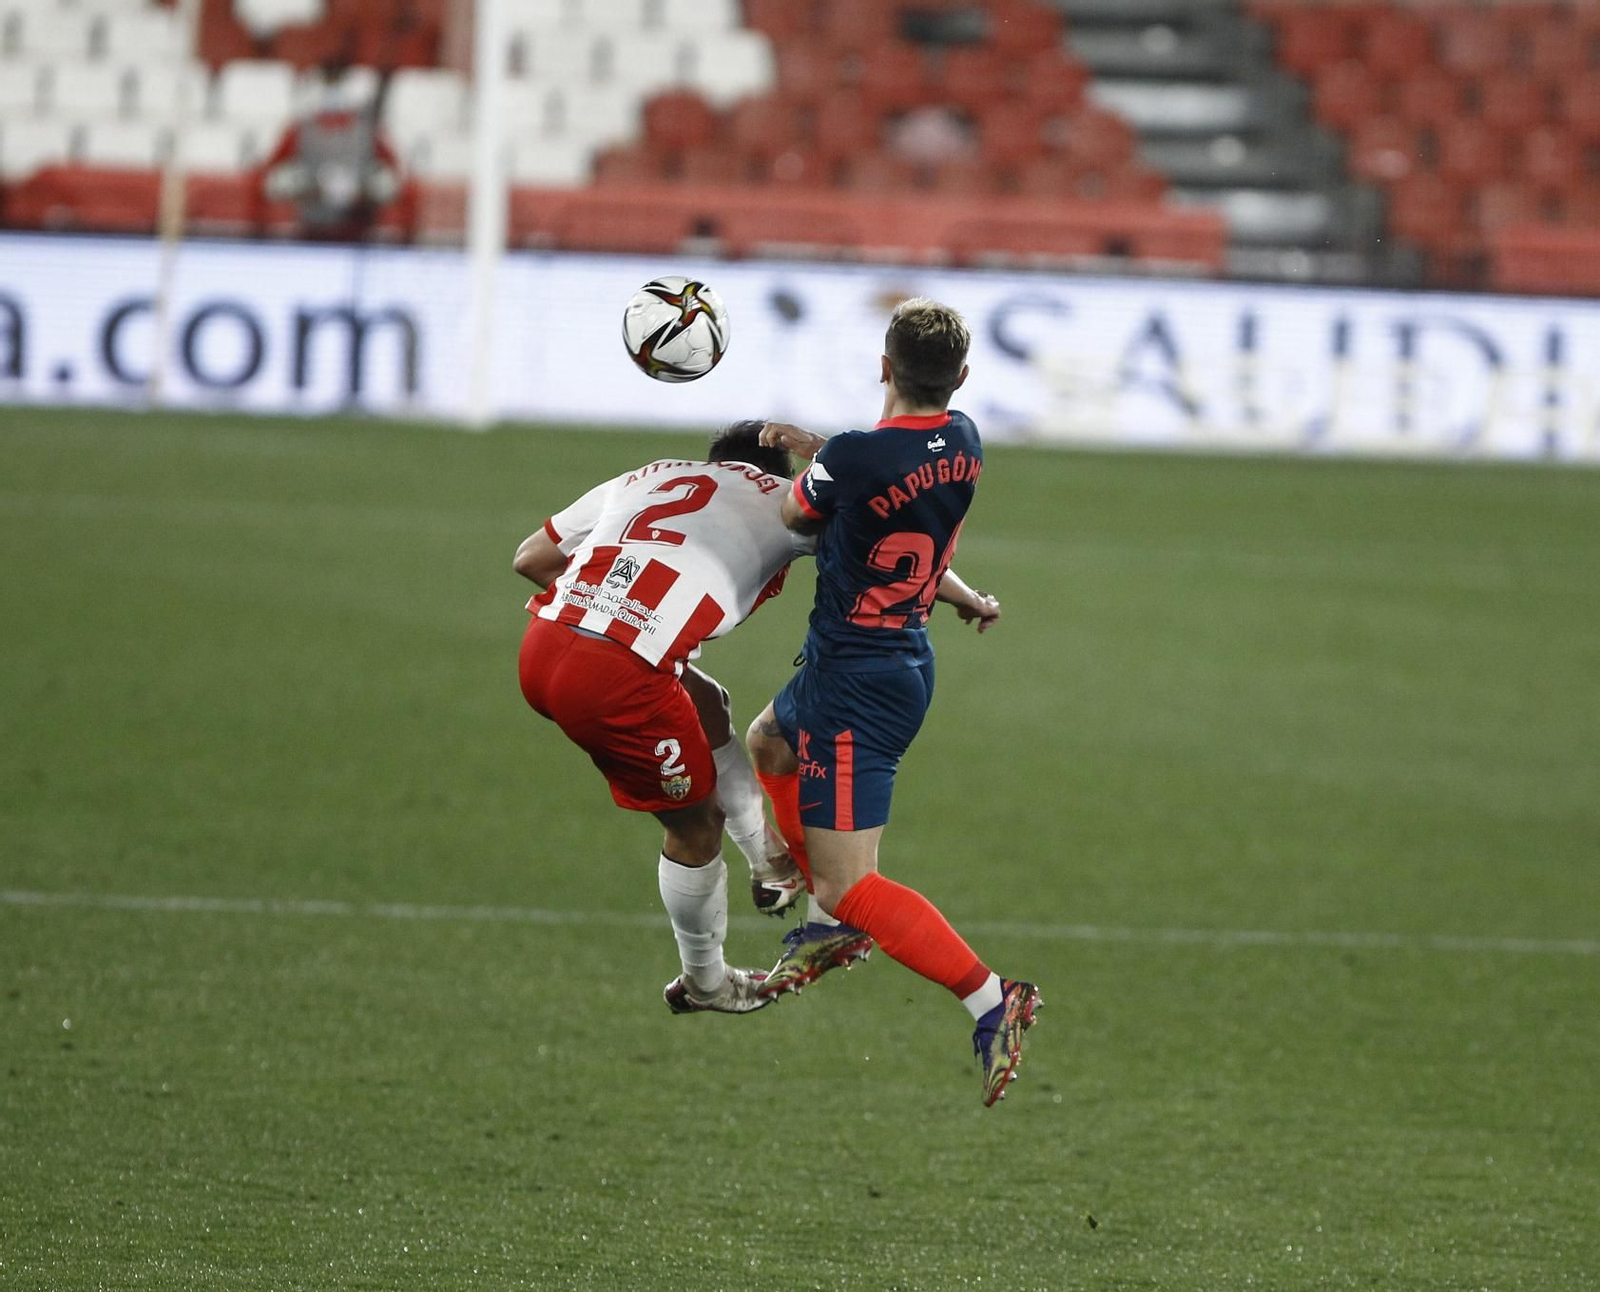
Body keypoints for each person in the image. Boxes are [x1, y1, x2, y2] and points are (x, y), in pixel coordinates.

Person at [746, 297, 1041, 1106]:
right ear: (964, 377)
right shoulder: (967, 442)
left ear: (883, 366)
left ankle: (992, 999)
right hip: (883, 659)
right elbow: (900, 519)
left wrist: (814, 461)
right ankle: (825, 914)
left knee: (854, 884)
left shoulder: (855, 456)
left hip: (856, 685)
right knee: (767, 741)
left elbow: (794, 511)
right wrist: (968, 597)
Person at [513, 422, 808, 1016]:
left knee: (708, 704)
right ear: (783, 469)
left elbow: (533, 557)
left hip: (543, 645)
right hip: (615, 678)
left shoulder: (650, 475)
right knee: (697, 825)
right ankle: (706, 982)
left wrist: (614, 612)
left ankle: (770, 861)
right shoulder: (788, 503)